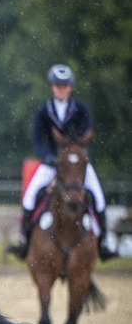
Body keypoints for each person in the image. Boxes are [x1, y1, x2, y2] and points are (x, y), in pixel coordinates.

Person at [9, 64, 117, 261]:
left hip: (76, 164)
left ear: (71, 87)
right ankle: (24, 241)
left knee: (99, 198)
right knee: (29, 196)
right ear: (52, 87)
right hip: (52, 163)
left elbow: (87, 138)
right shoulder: (43, 111)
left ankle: (104, 245)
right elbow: (36, 140)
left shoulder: (81, 109)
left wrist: (79, 157)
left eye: (65, 85)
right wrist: (47, 156)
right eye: (58, 85)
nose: (62, 89)